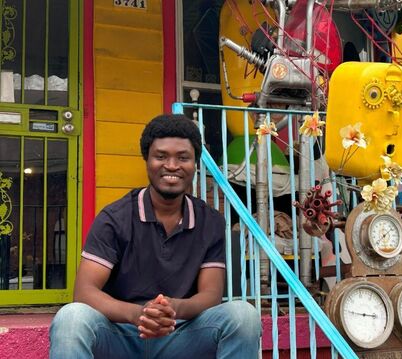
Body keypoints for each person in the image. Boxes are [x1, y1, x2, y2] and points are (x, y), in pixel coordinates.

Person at [49, 114, 261, 358]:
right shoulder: (114, 217)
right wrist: (137, 314)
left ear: (196, 163)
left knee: (244, 315)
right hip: (121, 335)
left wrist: (174, 308)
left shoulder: (210, 222)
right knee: (71, 317)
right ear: (147, 160)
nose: (172, 165)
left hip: (180, 335)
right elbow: (85, 292)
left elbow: (211, 295)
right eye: (161, 156)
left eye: (183, 157)